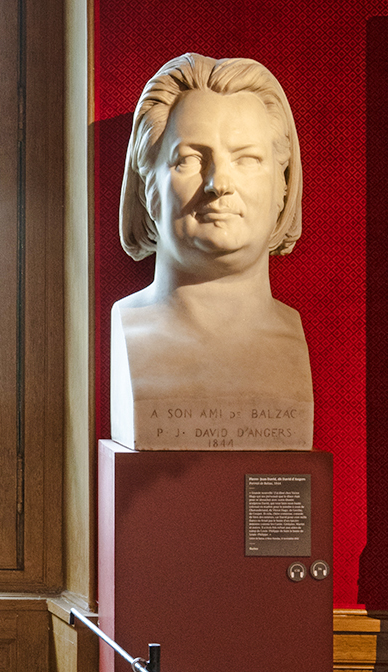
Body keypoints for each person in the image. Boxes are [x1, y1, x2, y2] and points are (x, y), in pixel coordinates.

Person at [111, 53, 312, 451]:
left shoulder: (289, 338)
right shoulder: (130, 329)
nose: (218, 184)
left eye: (247, 159)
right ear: (148, 185)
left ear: (282, 186)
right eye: (189, 159)